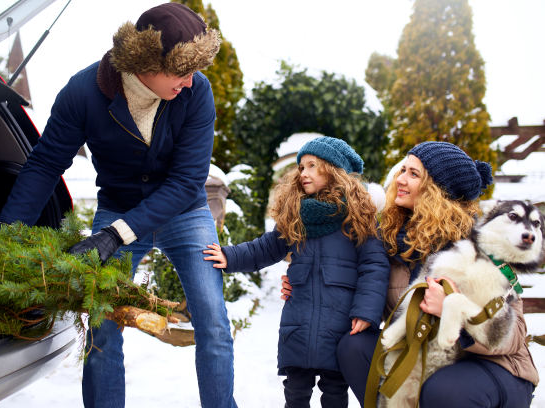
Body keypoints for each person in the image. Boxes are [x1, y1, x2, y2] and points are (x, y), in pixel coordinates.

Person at [0, 3, 237, 408]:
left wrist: (114, 235)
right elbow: (43, 165)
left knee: (212, 320)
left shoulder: (197, 94)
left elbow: (184, 182)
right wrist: (5, 238)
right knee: (103, 323)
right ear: (146, 62)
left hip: (185, 211)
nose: (191, 82)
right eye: (181, 72)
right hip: (119, 205)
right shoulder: (82, 92)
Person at [329, 141, 538, 407]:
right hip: (426, 359)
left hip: (491, 365)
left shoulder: (481, 246)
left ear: (437, 191)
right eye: (402, 170)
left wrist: (454, 314)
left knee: (443, 390)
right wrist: (303, 281)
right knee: (354, 347)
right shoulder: (389, 241)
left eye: (413, 174)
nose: (400, 179)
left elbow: (514, 335)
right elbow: (356, 284)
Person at [203, 136, 390, 407]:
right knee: (295, 390)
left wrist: (365, 311)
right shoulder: (296, 216)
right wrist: (228, 256)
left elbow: (374, 266)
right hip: (299, 320)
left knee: (335, 390)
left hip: (341, 320)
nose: (304, 173)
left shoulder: (359, 218)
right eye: (301, 167)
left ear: (333, 169)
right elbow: (264, 248)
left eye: (313, 165)